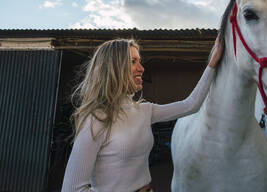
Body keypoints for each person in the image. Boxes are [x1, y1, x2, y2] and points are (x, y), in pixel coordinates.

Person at [61, 34, 224, 192]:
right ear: (114, 69)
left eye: (139, 61)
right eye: (133, 62)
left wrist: (212, 64)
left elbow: (191, 105)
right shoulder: (96, 119)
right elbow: (72, 189)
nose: (141, 68)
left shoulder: (145, 111)